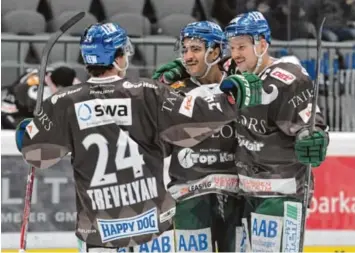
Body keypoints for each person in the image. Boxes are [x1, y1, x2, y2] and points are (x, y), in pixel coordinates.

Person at [15, 22, 265, 251]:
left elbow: (35, 153)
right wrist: (233, 97)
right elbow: (196, 120)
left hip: (99, 233)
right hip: (152, 229)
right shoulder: (146, 93)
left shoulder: (64, 102)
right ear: (118, 57)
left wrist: (27, 131)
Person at [152, 11, 329, 252]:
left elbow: (309, 121)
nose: (235, 54)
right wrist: (182, 70)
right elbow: (210, 69)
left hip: (281, 192)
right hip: (246, 195)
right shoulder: (236, 72)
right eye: (232, 47)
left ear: (262, 44)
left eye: (242, 47)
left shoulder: (286, 77)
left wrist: (314, 136)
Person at [154, 21, 244, 252]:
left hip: (237, 196)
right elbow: (158, 142)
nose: (188, 56)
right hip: (189, 198)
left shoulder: (240, 85)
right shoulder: (174, 90)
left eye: (195, 49)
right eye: (184, 50)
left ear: (214, 52)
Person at [1, 66, 80, 129]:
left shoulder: (55, 74)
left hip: (18, 94)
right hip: (11, 109)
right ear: (59, 86)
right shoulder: (42, 93)